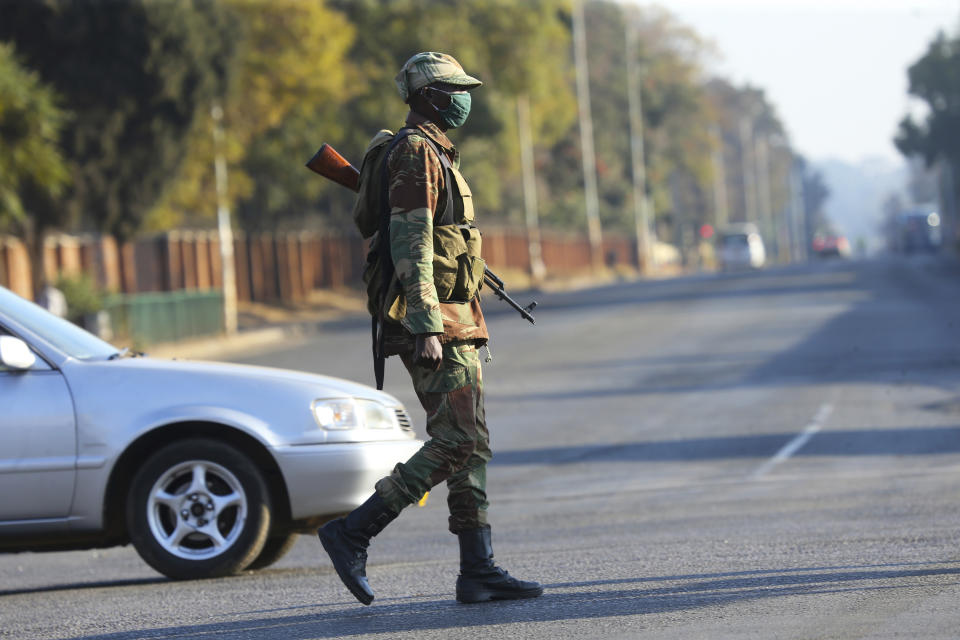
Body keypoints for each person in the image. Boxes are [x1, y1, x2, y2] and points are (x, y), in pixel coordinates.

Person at [318, 52, 543, 606]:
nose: (463, 98)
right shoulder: (417, 151)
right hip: (433, 323)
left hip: (457, 319)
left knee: (472, 445)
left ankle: (479, 571)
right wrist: (424, 324)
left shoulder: (435, 151)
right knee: (456, 441)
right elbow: (411, 243)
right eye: (453, 89)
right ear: (427, 96)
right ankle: (354, 531)